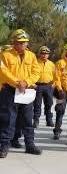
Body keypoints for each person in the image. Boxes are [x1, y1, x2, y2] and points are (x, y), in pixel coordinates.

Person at [0, 29, 42, 158]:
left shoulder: (32, 56)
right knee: (8, 119)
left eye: (24, 42)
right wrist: (17, 82)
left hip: (26, 92)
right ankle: (4, 146)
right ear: (14, 42)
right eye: (19, 42)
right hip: (10, 91)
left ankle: (30, 145)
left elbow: (36, 72)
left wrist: (27, 82)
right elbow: (3, 71)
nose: (22, 45)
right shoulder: (5, 55)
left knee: (27, 120)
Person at [33, 46, 55, 128]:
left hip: (48, 86)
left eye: (46, 53)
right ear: (39, 54)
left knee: (49, 104)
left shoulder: (51, 64)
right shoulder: (35, 63)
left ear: (48, 55)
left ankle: (49, 120)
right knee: (37, 104)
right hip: (38, 86)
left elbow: (55, 75)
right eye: (42, 53)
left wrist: (54, 84)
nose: (44, 55)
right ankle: (36, 120)